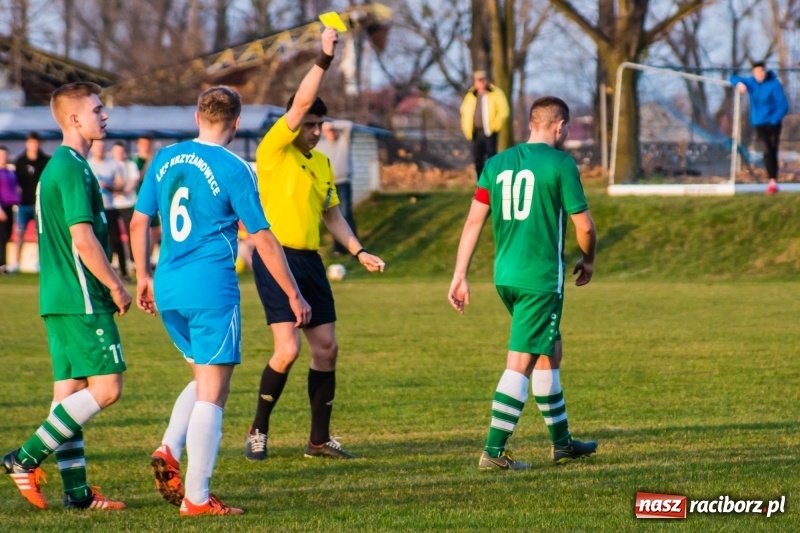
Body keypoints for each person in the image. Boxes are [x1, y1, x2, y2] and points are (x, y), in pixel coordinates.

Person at [130, 86, 311, 516]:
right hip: (210, 287)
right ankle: (196, 498)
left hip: (168, 285)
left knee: (201, 378)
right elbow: (263, 238)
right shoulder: (235, 168)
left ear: (197, 116)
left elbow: (139, 222)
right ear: (235, 122)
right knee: (214, 391)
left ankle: (169, 448)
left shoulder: (165, 158)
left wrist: (141, 275)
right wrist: (293, 292)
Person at [245, 27, 385, 461]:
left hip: (309, 260)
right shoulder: (274, 150)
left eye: (320, 124)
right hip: (275, 258)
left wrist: (358, 250)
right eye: (309, 124)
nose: (316, 130)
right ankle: (258, 430)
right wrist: (323, 58)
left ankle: (318, 441)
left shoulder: (322, 163)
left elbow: (332, 215)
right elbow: (301, 102)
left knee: (326, 348)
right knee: (287, 350)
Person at [448, 96, 598, 471]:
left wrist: (460, 274)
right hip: (541, 279)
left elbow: (472, 222)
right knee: (520, 361)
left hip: (506, 277)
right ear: (560, 127)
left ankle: (563, 444)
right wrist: (589, 258)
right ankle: (493, 452)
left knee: (551, 351)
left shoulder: (495, 164)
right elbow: (585, 226)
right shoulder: (561, 163)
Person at [1, 82, 131, 510]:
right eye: (97, 110)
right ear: (74, 119)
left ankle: (76, 494)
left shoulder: (59, 166)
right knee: (108, 388)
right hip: (81, 298)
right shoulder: (72, 167)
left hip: (57, 298)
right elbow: (83, 238)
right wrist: (115, 283)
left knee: (68, 399)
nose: (104, 116)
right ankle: (23, 459)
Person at [731, 62, 789, 194]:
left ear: (765, 71)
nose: (759, 75)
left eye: (761, 72)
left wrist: (774, 119)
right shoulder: (751, 82)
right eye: (756, 72)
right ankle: (772, 182)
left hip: (773, 123)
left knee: (773, 151)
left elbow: (783, 105)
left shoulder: (774, 84)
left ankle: (773, 180)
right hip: (759, 124)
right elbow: (733, 78)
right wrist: (739, 84)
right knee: (766, 150)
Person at [9, 132, 50, 273]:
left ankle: (40, 262)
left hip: (40, 204)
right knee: (19, 233)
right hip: (23, 204)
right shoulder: (20, 161)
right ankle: (15, 263)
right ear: (27, 144)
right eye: (31, 142)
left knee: (41, 234)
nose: (34, 145)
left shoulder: (46, 161)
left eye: (36, 142)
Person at [89, 140, 129, 280]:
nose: (99, 149)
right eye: (97, 147)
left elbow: (120, 185)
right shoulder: (88, 164)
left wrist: (108, 186)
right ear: (92, 148)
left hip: (110, 208)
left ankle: (124, 272)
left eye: (102, 146)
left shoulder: (112, 164)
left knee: (116, 240)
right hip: (93, 208)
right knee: (94, 240)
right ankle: (97, 272)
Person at [316, 120, 357, 255]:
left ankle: (353, 248)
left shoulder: (343, 140)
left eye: (333, 130)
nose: (332, 133)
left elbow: (349, 125)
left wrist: (331, 124)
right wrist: (323, 127)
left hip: (343, 182)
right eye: (329, 131)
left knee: (345, 215)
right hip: (327, 185)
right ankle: (338, 249)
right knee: (332, 216)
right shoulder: (320, 144)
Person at [459, 70, 509, 180]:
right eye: (478, 81)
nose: (481, 83)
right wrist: (466, 128)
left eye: (483, 80)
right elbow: (464, 112)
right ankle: (480, 182)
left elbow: (504, 111)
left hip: (490, 132)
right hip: (475, 132)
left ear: (487, 81)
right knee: (477, 158)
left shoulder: (496, 93)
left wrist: (495, 126)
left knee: (492, 157)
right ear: (475, 82)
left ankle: (492, 180)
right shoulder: (470, 95)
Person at [110, 141, 140, 276]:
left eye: (121, 152)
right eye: (116, 151)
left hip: (128, 204)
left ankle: (134, 263)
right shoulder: (109, 165)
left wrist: (120, 190)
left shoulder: (130, 165)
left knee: (132, 234)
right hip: (112, 206)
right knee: (113, 237)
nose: (119, 154)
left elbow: (132, 184)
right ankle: (117, 265)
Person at [132, 134, 161, 265]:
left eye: (148, 144)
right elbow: (137, 177)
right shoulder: (134, 161)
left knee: (156, 230)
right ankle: (140, 261)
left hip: (156, 199)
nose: (146, 147)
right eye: (143, 144)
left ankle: (149, 257)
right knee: (140, 227)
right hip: (139, 199)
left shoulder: (156, 159)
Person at [0, 145, 21, 273]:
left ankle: (4, 264)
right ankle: (2, 265)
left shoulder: (10, 172)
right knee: (1, 237)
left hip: (9, 207)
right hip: (1, 208)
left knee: (7, 236)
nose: (3, 157)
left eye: (4, 155)